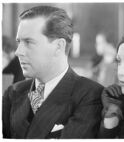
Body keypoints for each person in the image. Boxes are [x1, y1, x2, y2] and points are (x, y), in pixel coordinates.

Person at [3, 6, 104, 139]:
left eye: (28, 42)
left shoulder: (91, 95)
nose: (18, 51)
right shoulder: (13, 93)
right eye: (19, 42)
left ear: (58, 46)